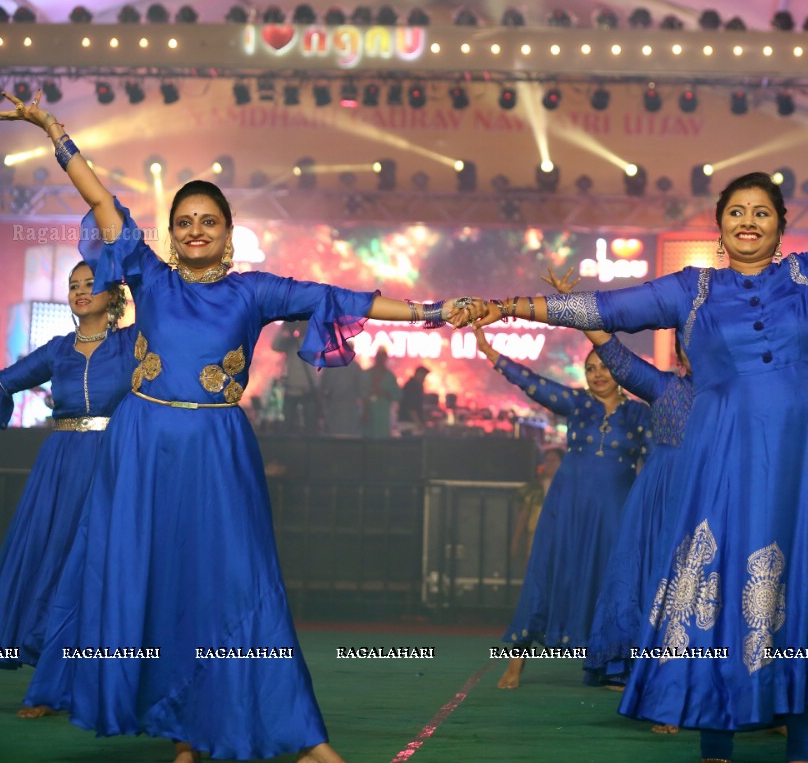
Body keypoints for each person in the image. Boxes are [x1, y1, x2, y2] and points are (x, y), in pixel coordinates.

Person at [475, 111, 808, 761]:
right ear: (720, 228)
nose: (748, 221)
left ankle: (802, 749)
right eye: (736, 212)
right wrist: (512, 306)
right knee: (722, 596)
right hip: (725, 463)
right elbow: (604, 309)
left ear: (780, 225)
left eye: (761, 212)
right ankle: (717, 748)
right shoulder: (691, 291)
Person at [2, 90, 481, 763]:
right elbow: (105, 205)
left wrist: (433, 312)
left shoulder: (251, 292)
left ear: (228, 234)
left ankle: (300, 734)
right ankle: (189, 729)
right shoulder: (149, 276)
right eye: (186, 220)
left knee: (238, 583)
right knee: (156, 581)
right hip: (140, 449)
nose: (197, 229)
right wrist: (54, 131)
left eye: (210, 221)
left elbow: (340, 299)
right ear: (172, 234)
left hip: (218, 448)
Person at [536, 268, 696, 699]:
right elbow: (613, 350)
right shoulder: (664, 388)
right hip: (660, 501)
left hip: (715, 496)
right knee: (649, 585)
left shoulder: (740, 397)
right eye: (691, 342)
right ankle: (653, 683)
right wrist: (576, 308)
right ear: (681, 353)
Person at [473, 326, 653, 690]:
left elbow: (655, 464)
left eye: (604, 367)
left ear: (619, 372)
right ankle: (517, 661)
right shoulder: (577, 404)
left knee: (612, 579)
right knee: (547, 571)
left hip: (616, 509)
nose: (598, 374)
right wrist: (493, 356)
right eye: (590, 369)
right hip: (567, 505)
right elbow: (533, 383)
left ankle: (612, 665)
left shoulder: (640, 415)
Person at [0, 262, 133, 718]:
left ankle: (107, 680)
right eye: (73, 285)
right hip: (60, 467)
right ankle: (46, 683)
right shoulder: (57, 350)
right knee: (53, 562)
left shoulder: (133, 344)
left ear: (113, 295)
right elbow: (4, 381)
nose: (79, 291)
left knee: (106, 568)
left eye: (89, 284)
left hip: (116, 464)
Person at [510, 446, 565, 566]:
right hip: (536, 539)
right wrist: (516, 539)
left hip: (561, 539)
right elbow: (524, 514)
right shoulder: (534, 489)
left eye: (554, 460)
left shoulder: (569, 488)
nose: (550, 464)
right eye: (547, 460)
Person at [272, 321, 321, 433]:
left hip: (308, 390)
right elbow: (275, 346)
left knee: (310, 426)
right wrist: (285, 328)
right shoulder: (291, 342)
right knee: (287, 425)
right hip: (292, 390)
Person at [363, 348, 402, 438]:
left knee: (382, 439)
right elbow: (360, 393)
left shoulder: (390, 377)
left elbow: (397, 395)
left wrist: (384, 393)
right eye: (379, 357)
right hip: (368, 413)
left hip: (383, 414)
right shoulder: (366, 374)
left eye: (382, 358)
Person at [398, 364, 431, 435]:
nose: (424, 379)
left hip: (409, 423)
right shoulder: (413, 387)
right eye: (423, 376)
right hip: (409, 424)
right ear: (418, 374)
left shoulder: (412, 385)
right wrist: (418, 422)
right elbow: (411, 407)